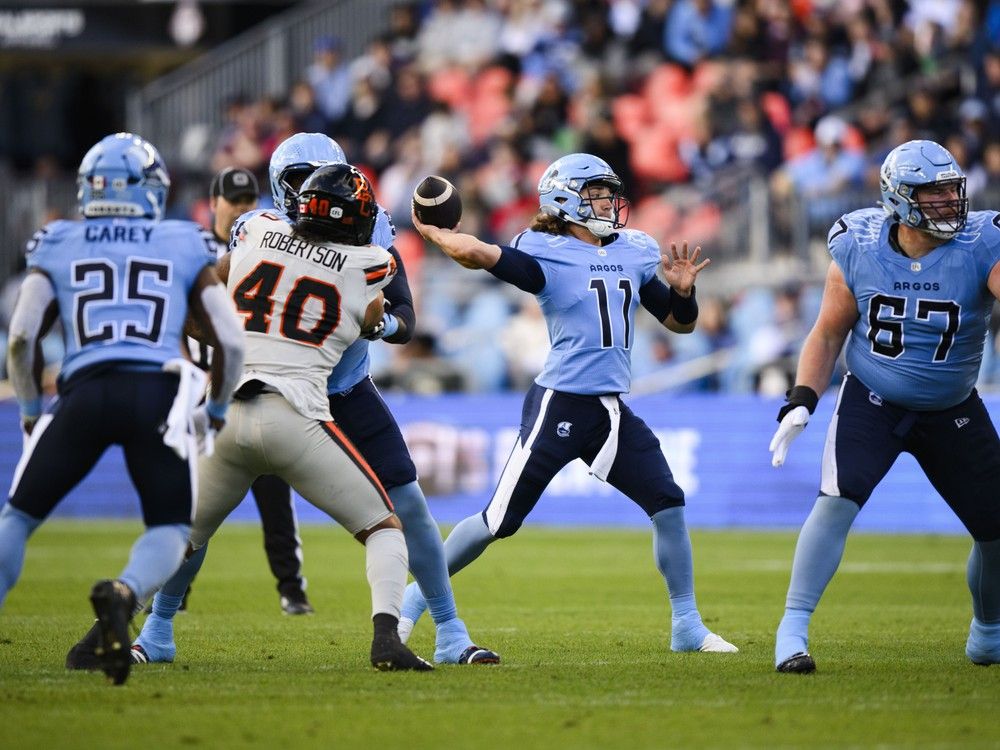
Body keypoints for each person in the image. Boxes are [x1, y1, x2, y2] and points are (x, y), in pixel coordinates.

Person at [131, 132, 498, 667]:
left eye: (326, 179)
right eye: (303, 182)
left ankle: (449, 631)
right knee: (199, 520)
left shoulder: (352, 227)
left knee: (411, 507)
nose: (319, 193)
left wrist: (381, 324)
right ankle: (158, 627)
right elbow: (215, 295)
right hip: (272, 386)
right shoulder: (263, 230)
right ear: (284, 189)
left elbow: (405, 317)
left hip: (342, 389)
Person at [404, 153, 738, 656]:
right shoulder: (546, 251)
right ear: (566, 199)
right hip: (559, 404)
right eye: (597, 194)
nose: (608, 202)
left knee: (668, 502)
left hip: (609, 410)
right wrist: (436, 236)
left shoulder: (632, 250)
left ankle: (687, 626)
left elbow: (679, 323)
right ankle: (412, 602)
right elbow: (478, 253)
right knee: (500, 520)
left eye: (608, 193)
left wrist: (685, 292)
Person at [0, 132, 245, 685]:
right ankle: (126, 592)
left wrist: (33, 410)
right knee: (168, 526)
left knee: (18, 517)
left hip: (82, 390)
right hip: (157, 390)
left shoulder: (59, 239)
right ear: (149, 189)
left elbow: (20, 337)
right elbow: (230, 340)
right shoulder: (183, 240)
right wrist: (220, 410)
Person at [769, 139, 1000, 674]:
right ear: (899, 199)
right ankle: (792, 631)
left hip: (952, 407)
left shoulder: (981, 243)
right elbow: (827, 334)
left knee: (994, 529)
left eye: (951, 189)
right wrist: (801, 399)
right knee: (836, 500)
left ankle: (988, 629)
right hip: (872, 397)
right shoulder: (859, 244)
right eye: (933, 192)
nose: (948, 201)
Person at [201, 167, 314, 616]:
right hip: (200, 385)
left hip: (255, 382)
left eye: (250, 202)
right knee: (189, 502)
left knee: (274, 497)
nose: (243, 209)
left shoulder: (265, 241)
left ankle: (292, 588)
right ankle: (172, 596)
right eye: (235, 201)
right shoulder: (198, 251)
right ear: (214, 203)